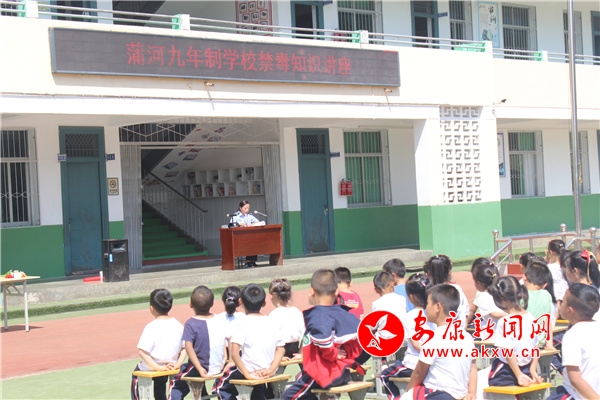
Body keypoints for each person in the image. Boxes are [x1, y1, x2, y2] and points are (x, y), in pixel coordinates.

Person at [283, 269, 363, 400]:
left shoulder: (318, 315)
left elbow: (324, 341)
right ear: (337, 291)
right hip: (342, 371)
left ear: (312, 291)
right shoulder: (342, 313)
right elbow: (359, 335)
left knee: (289, 396)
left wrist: (334, 353)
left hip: (324, 373)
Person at [405, 284, 477, 400]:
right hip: (461, 394)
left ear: (438, 307)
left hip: (437, 394)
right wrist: (472, 392)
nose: (425, 308)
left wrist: (408, 393)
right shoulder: (466, 337)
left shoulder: (434, 339)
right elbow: (472, 367)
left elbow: (418, 373)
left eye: (428, 304)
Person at [215, 284, 285, 400]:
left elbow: (234, 353)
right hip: (266, 370)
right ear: (264, 303)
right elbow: (281, 350)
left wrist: (247, 374)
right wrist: (271, 370)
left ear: (240, 301)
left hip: (247, 370)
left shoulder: (242, 323)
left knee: (220, 386)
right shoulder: (272, 322)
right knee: (257, 391)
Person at [380, 273, 434, 399]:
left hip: (413, 364)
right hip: (434, 361)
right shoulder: (434, 314)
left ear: (411, 297)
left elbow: (415, 344)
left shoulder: (409, 317)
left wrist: (428, 354)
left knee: (384, 375)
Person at [169, 286, 228, 400]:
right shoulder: (220, 319)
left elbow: (188, 348)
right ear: (212, 304)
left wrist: (200, 368)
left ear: (191, 305)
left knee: (176, 380)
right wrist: (225, 358)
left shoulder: (191, 323)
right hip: (219, 366)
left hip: (200, 367)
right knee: (193, 376)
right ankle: (204, 395)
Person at [546, 283, 600, 400]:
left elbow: (575, 379)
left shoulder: (572, 335)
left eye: (563, 301)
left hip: (575, 395)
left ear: (570, 310)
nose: (560, 305)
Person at [487, 276, 543, 387]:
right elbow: (535, 347)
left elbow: (507, 351)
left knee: (490, 386)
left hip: (506, 371)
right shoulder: (530, 317)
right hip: (527, 368)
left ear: (501, 299)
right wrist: (532, 370)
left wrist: (518, 375)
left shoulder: (504, 322)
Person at [131, 289, 185, 400]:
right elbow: (185, 348)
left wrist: (158, 367)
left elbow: (142, 352)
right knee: (160, 391)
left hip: (149, 369)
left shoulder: (151, 327)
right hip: (169, 368)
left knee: (136, 378)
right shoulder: (178, 325)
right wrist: (178, 364)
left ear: (152, 308)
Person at [423, 254, 469, 327]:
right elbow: (465, 315)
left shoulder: (427, 293)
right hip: (457, 332)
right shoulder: (457, 289)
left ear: (428, 274)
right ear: (449, 272)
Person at [268, 278, 305, 360]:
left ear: (271, 296)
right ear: (290, 295)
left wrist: (277, 355)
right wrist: (301, 353)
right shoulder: (297, 312)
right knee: (307, 367)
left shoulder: (273, 315)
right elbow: (306, 334)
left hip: (278, 350)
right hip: (296, 348)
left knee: (272, 368)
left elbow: (269, 339)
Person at [522, 260, 555, 349]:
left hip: (522, 344)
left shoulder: (521, 295)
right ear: (544, 284)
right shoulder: (546, 295)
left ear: (524, 277)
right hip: (539, 343)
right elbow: (547, 322)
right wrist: (549, 344)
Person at [467, 258, 506, 328]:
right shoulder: (500, 288)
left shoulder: (482, 296)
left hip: (492, 329)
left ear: (479, 283)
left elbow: (494, 314)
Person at [232, 200, 262, 268]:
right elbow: (231, 225)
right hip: (239, 237)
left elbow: (258, 221)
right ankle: (248, 261)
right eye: (245, 208)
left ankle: (253, 261)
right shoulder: (236, 215)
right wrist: (239, 225)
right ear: (240, 208)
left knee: (254, 241)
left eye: (248, 208)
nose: (247, 210)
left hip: (249, 236)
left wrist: (252, 224)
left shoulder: (249, 215)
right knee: (249, 242)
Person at [545, 239, 569, 305]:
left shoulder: (549, 268)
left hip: (555, 298)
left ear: (551, 252)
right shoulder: (568, 265)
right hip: (568, 296)